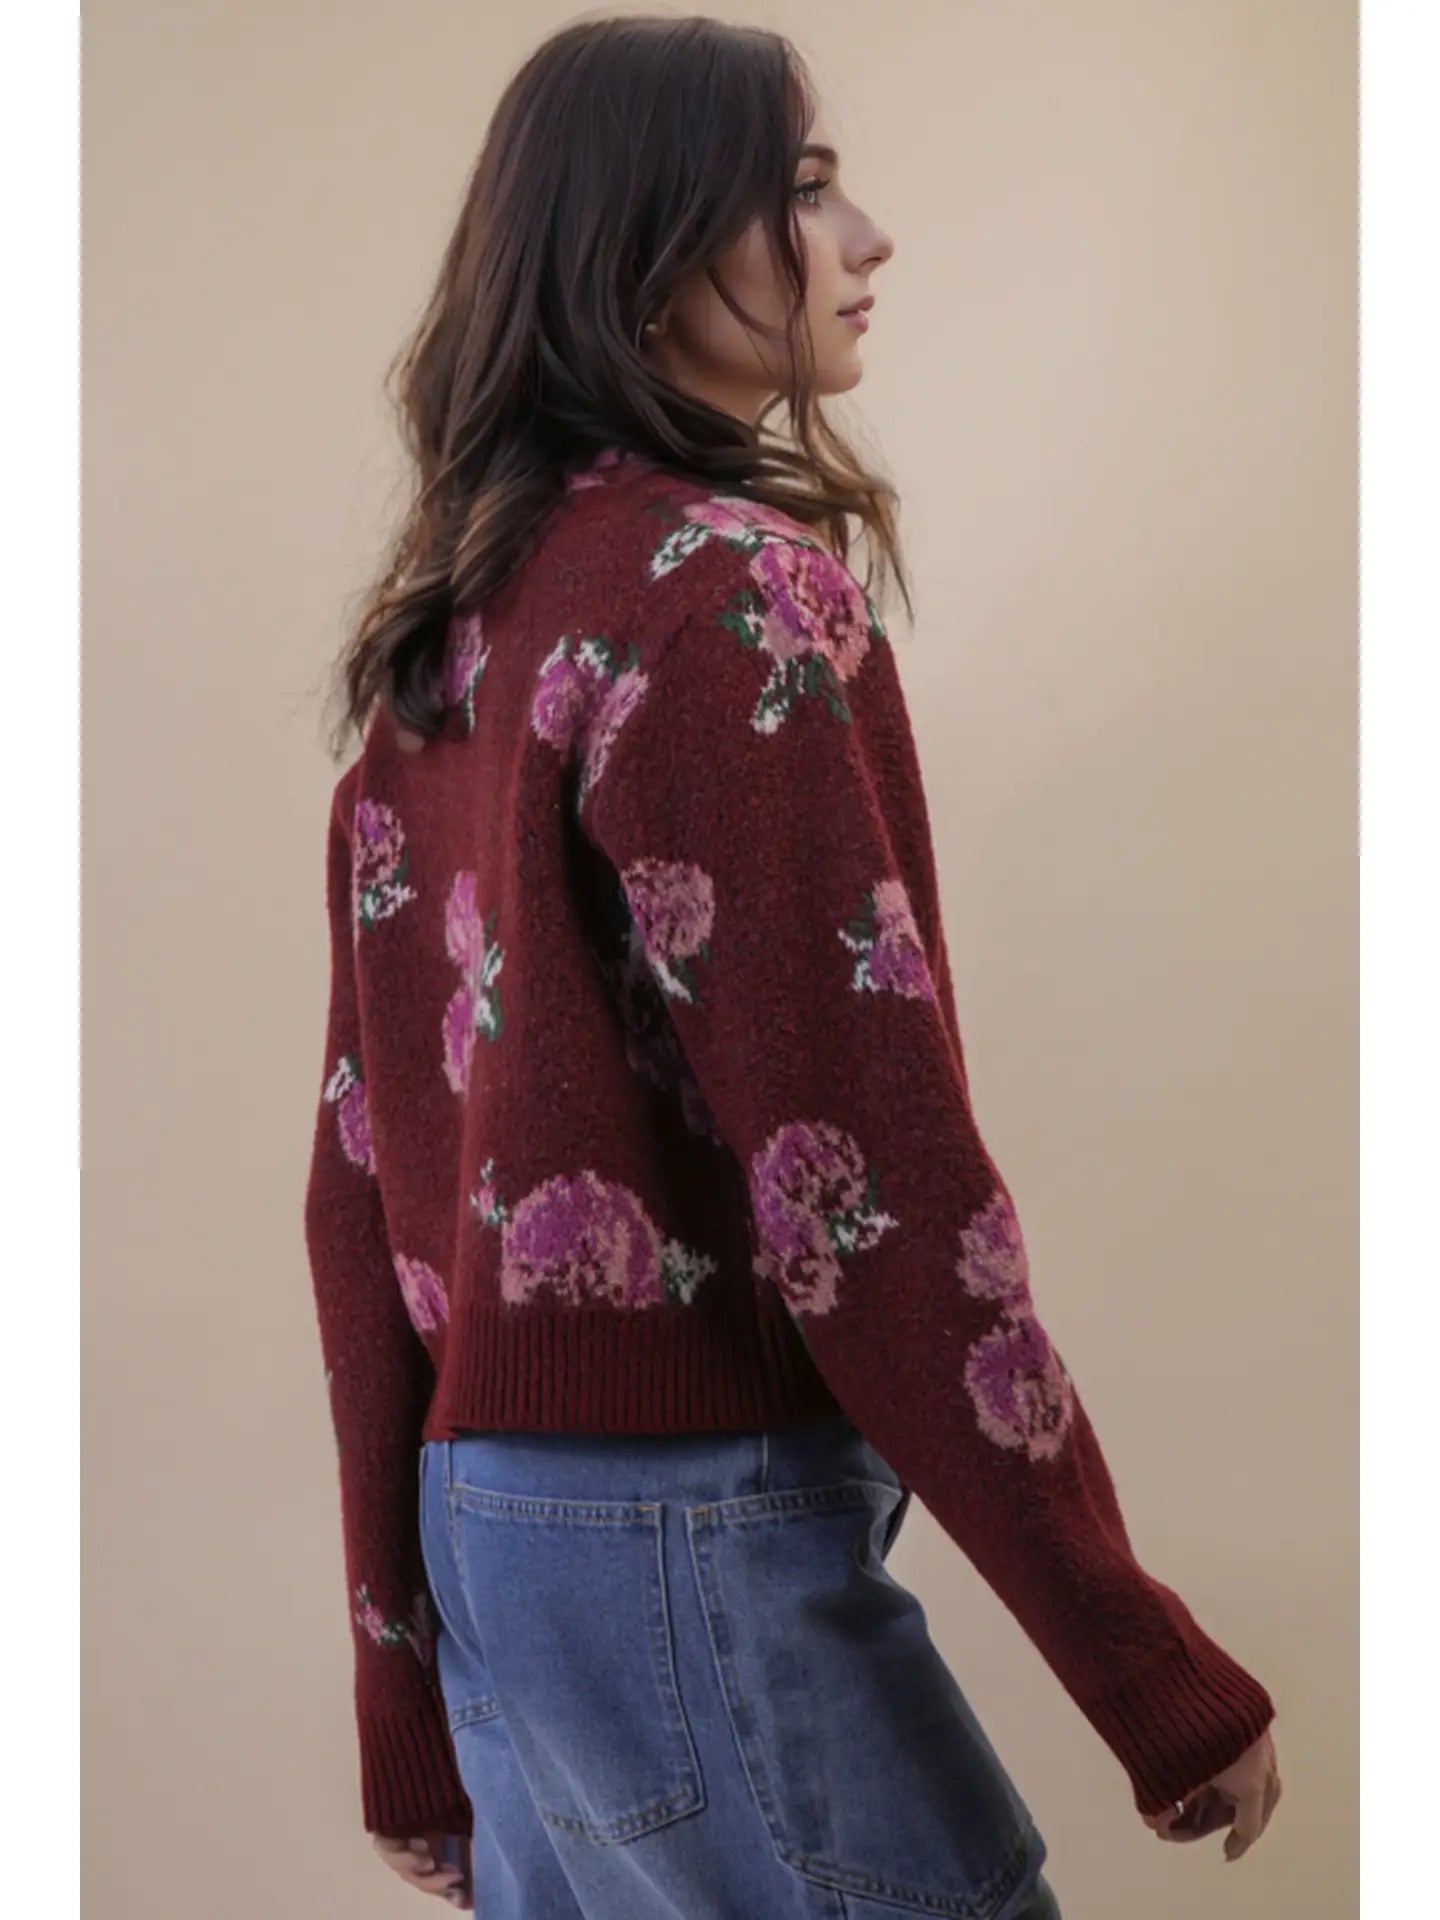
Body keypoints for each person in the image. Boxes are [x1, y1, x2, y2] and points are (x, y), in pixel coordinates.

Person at [301, 14, 1282, 1917]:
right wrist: (1139, 1661)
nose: (867, 237)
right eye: (808, 189)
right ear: (651, 248)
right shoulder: (725, 599)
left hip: (490, 1539)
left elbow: (359, 1192)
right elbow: (872, 1192)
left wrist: (405, 1689)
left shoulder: (453, 638)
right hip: (687, 1520)